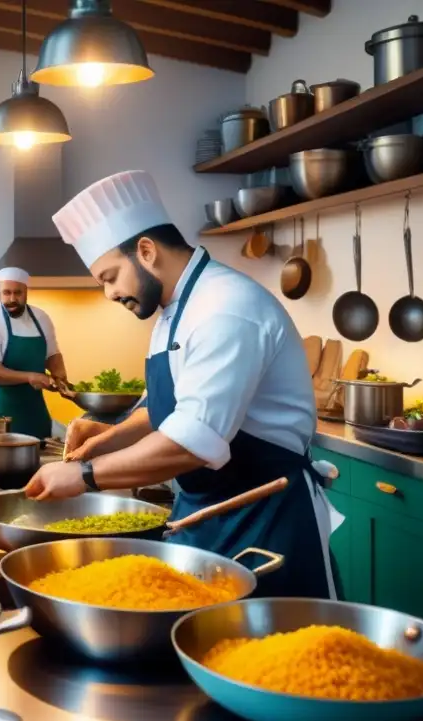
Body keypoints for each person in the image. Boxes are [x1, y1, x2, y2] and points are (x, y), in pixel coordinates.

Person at [30, 169, 336, 600]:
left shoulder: (225, 310)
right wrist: (107, 438)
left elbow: (190, 442)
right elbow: (165, 408)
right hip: (202, 517)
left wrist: (83, 475)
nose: (109, 294)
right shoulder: (173, 311)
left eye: (110, 276)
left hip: (265, 518)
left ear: (146, 251)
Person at [0, 267, 68, 440]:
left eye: (18, 293)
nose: (12, 299)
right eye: (6, 293)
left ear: (26, 292)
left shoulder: (41, 318)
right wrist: (31, 377)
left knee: (40, 463)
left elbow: (52, 353)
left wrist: (60, 376)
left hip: (35, 415)